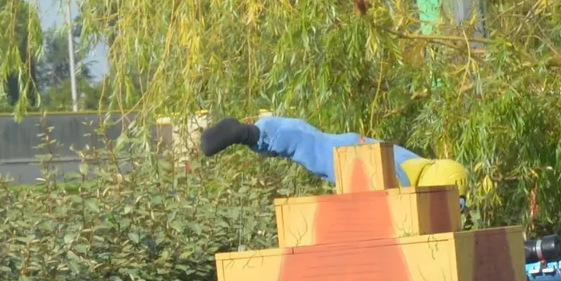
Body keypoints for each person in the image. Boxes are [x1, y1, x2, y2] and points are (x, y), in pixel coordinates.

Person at [200, 114, 469, 193]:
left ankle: (253, 133)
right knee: (314, 146)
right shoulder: (401, 180)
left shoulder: (425, 168)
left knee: (317, 144)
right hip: (369, 163)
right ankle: (250, 133)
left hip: (373, 154)